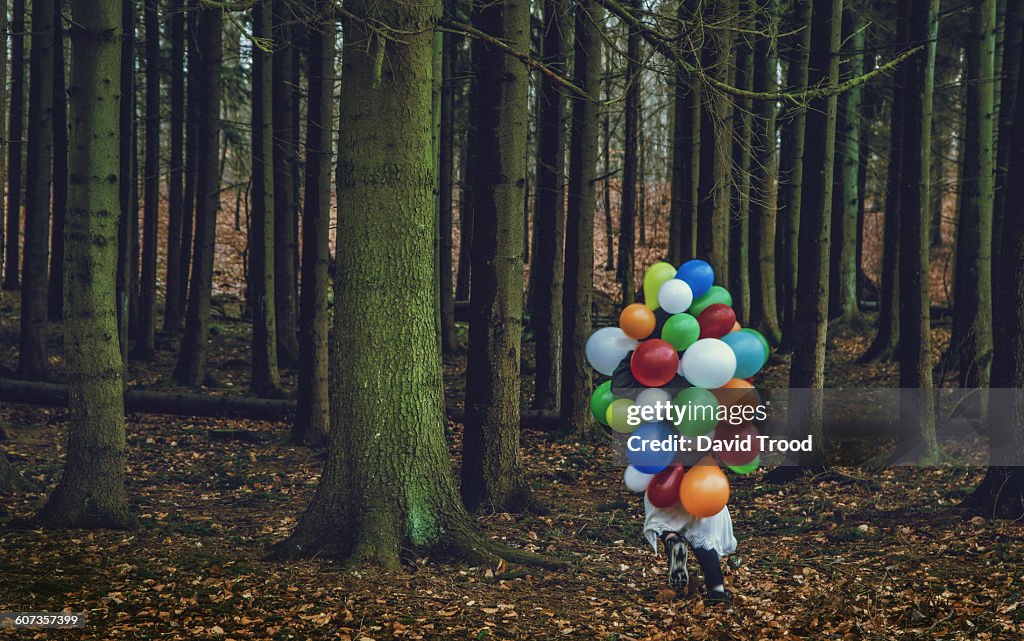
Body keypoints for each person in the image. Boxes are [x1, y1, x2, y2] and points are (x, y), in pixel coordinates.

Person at [644, 492, 736, 608]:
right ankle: (716, 590)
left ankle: (673, 540)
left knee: (664, 521)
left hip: (666, 488)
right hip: (702, 490)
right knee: (702, 540)